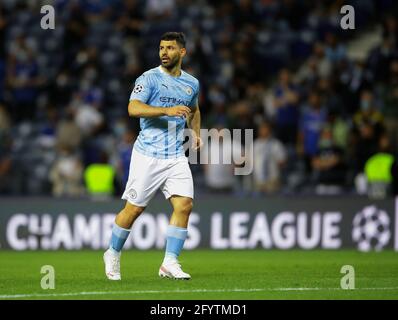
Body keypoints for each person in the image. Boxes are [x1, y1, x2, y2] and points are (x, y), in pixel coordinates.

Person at [103, 32, 202, 281]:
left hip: (176, 155)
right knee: (133, 210)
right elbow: (133, 108)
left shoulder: (191, 83)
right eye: (161, 48)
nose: (164, 52)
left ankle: (170, 262)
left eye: (169, 48)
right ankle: (113, 252)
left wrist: (196, 133)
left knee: (184, 205)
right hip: (148, 154)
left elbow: (195, 109)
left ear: (182, 52)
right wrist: (166, 110)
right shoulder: (148, 79)